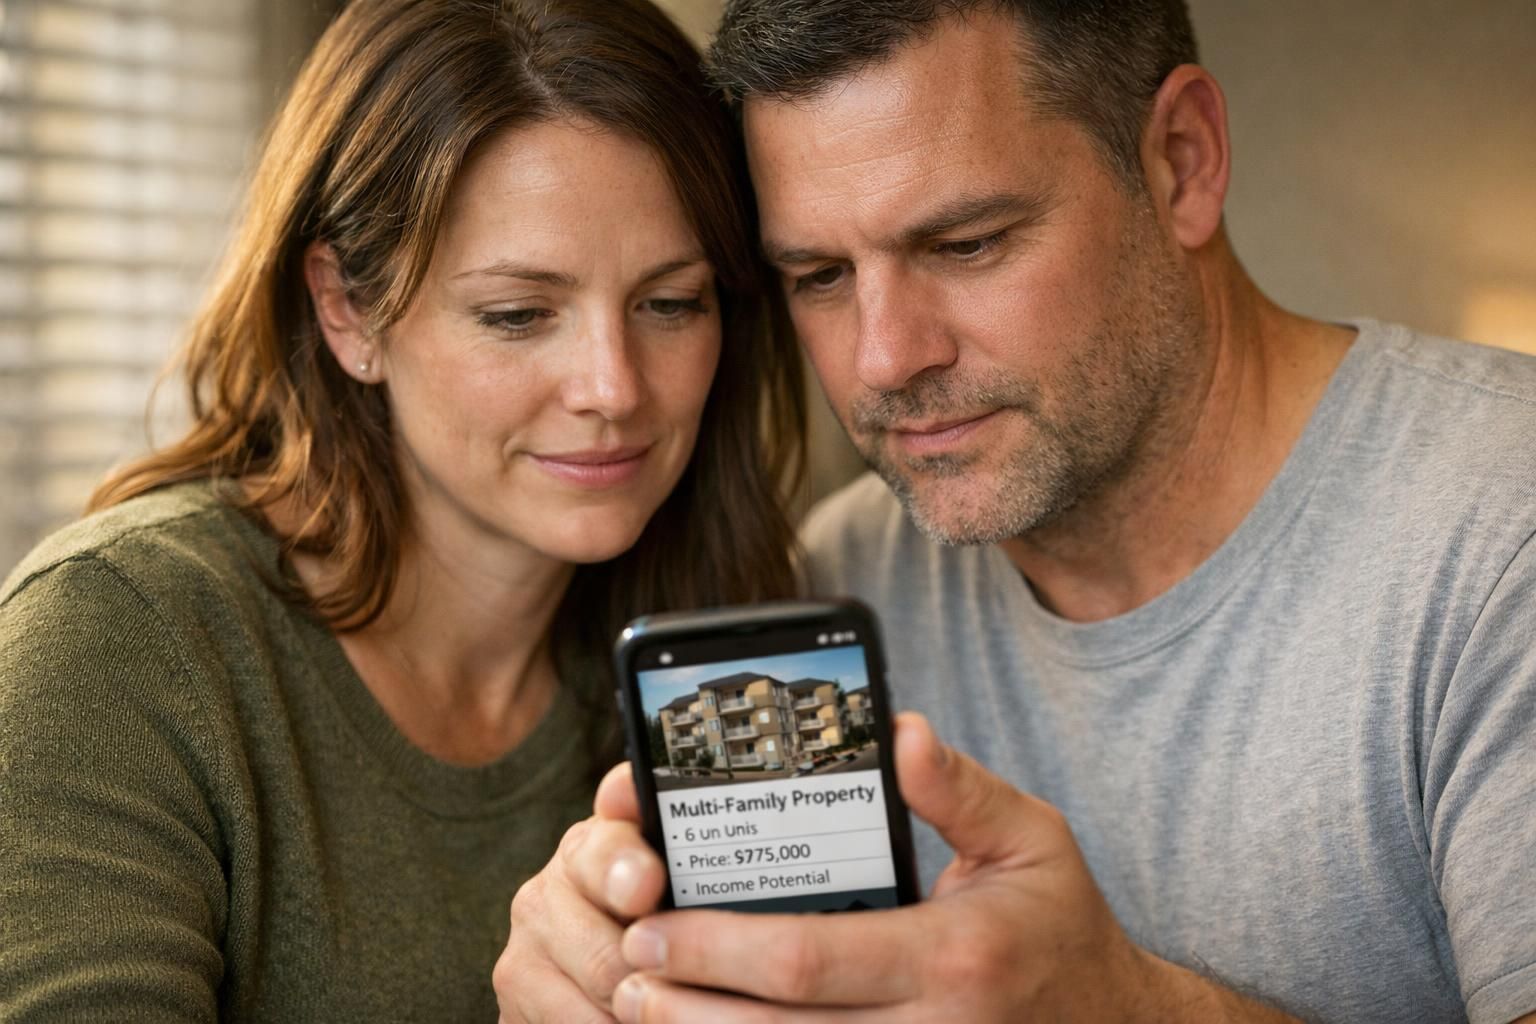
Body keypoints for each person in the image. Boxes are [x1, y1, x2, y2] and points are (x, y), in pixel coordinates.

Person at [497, 1, 1536, 1022]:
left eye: (966, 244)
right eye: (818, 276)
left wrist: (1134, 1012)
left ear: (1181, 159)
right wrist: (620, 965)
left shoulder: (1499, 525)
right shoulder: (834, 584)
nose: (885, 358)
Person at [0, 0, 806, 1018]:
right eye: (518, 314)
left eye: (671, 303)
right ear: (348, 311)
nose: (614, 386)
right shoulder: (118, 640)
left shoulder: (733, 655)